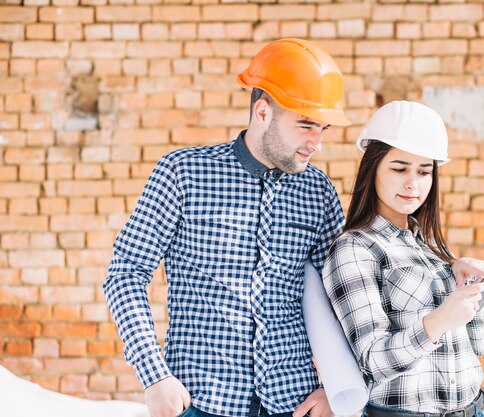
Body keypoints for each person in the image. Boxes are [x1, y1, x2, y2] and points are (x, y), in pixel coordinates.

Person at [103, 38, 352, 417]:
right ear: (263, 112)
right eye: (305, 125)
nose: (316, 143)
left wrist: (337, 385)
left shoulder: (318, 191)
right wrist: (154, 377)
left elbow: (341, 295)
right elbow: (127, 272)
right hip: (201, 402)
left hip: (295, 403)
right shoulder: (182, 174)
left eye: (323, 128)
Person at [322, 101, 484, 417]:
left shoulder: (429, 245)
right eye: (399, 168)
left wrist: (475, 288)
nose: (412, 183)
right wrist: (439, 321)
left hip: (472, 410)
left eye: (424, 171)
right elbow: (373, 360)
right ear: (372, 168)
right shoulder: (354, 250)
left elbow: (479, 345)